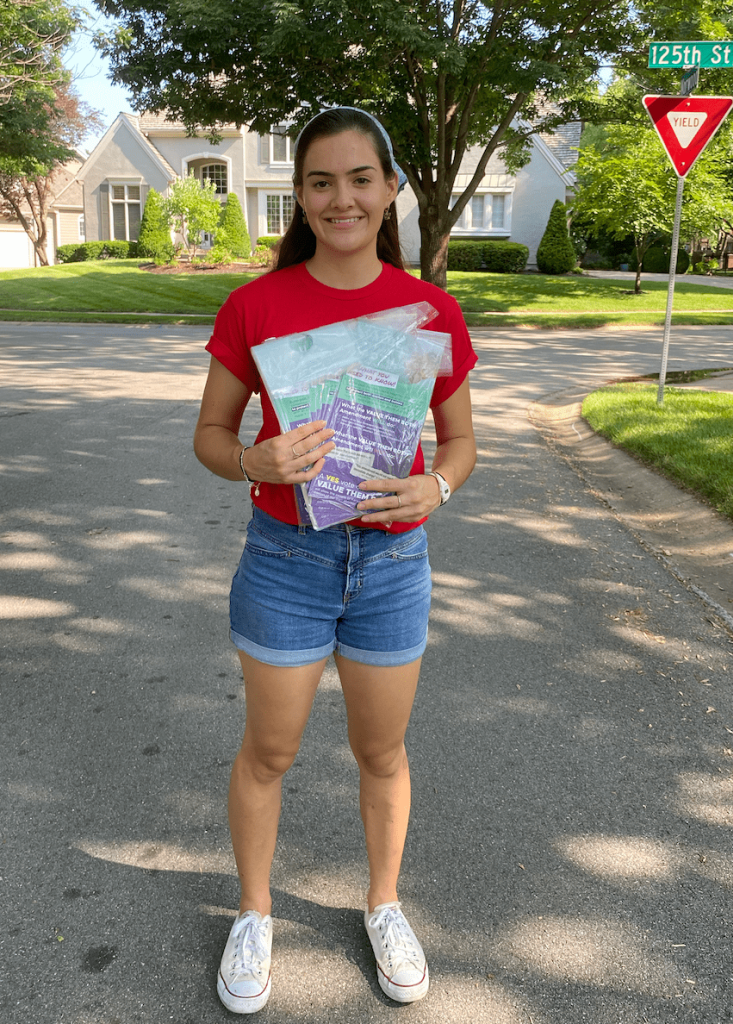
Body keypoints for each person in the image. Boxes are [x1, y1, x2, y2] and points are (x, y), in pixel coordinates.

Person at [193, 106, 477, 1014]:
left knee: (380, 750)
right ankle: (254, 909)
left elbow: (461, 443)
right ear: (301, 196)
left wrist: (435, 489)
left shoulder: (429, 309)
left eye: (361, 179)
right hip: (286, 557)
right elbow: (207, 434)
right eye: (321, 181)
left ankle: (384, 902)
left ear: (391, 190)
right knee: (270, 751)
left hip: (391, 564)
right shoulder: (257, 306)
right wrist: (251, 459)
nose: (341, 197)